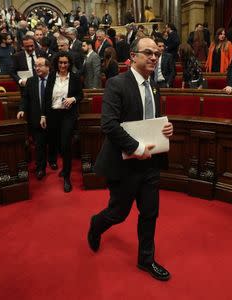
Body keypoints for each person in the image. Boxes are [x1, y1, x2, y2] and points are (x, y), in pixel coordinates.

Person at [88, 37, 174, 281]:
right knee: (118, 213)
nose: (154, 58)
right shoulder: (116, 84)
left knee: (150, 213)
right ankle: (96, 224)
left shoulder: (154, 86)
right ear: (133, 56)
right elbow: (109, 125)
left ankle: (146, 260)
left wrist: (165, 129)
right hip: (123, 163)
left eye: (156, 53)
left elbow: (150, 121)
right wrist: (136, 147)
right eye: (148, 53)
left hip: (150, 163)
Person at [44, 51, 83, 193]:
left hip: (68, 115)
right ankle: (65, 168)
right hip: (53, 114)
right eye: (60, 62)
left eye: (65, 62)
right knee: (58, 144)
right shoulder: (51, 78)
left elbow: (80, 95)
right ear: (56, 63)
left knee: (66, 143)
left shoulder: (75, 77)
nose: (63, 65)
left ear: (69, 63)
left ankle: (67, 176)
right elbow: (46, 98)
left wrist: (73, 99)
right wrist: (43, 115)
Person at [17, 57, 53, 180]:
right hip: (36, 118)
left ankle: (52, 161)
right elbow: (25, 98)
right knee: (39, 145)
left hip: (53, 117)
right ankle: (40, 168)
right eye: (35, 66)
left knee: (53, 142)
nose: (37, 68)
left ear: (47, 67)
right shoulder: (31, 81)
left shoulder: (54, 80)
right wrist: (22, 109)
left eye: (40, 65)